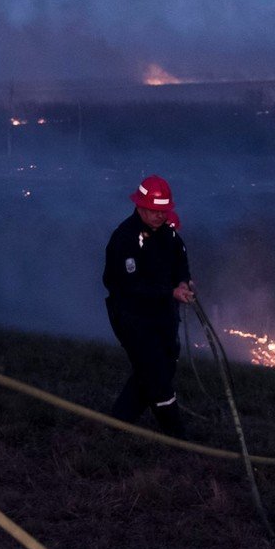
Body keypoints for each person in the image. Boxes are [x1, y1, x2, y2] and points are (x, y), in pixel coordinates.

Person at [103, 175, 194, 437]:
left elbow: (180, 260)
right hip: (133, 318)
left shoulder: (169, 233)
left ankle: (118, 424)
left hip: (164, 315)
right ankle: (177, 436)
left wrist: (184, 282)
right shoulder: (125, 239)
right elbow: (128, 285)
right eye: (155, 211)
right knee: (156, 376)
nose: (160, 216)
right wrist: (170, 291)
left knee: (162, 368)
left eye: (165, 211)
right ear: (140, 207)